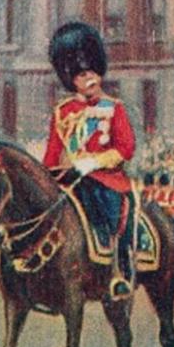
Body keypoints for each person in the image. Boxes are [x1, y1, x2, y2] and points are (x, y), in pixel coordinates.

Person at [43, 22, 137, 298]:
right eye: (84, 75)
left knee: (108, 210)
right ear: (71, 79)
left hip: (106, 179)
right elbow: (50, 156)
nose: (92, 80)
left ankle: (118, 271)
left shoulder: (114, 108)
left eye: (94, 73)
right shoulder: (62, 112)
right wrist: (51, 176)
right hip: (71, 179)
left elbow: (126, 148)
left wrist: (92, 163)